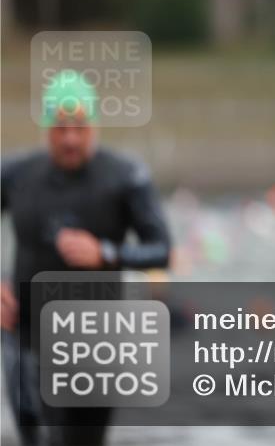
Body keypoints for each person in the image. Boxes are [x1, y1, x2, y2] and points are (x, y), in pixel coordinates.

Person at [0, 70, 172, 445]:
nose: (70, 138)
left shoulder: (125, 178)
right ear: (45, 129)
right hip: (26, 336)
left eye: (79, 127)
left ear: (94, 125)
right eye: (60, 128)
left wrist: (105, 253)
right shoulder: (16, 176)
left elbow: (161, 248)